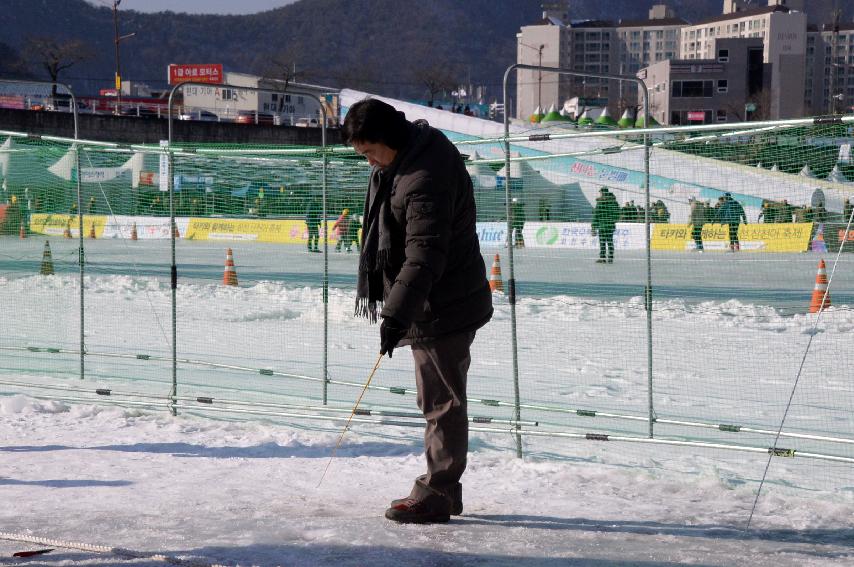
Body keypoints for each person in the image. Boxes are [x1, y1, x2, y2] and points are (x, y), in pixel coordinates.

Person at [342, 98, 493, 524]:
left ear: (389, 140)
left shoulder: (423, 177)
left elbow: (424, 253)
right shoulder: (410, 159)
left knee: (441, 402)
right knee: (439, 398)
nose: (369, 162)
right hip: (436, 300)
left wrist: (396, 314)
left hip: (443, 304)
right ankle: (445, 490)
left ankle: (439, 492)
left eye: (370, 152)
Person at [591, 186, 620, 263]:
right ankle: (610, 257)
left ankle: (602, 258)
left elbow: (596, 215)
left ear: (602, 193)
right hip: (610, 225)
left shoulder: (600, 203)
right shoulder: (614, 202)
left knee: (602, 242)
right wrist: (612, 220)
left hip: (602, 225)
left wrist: (593, 227)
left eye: (600, 192)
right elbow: (617, 214)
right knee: (610, 241)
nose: (600, 194)